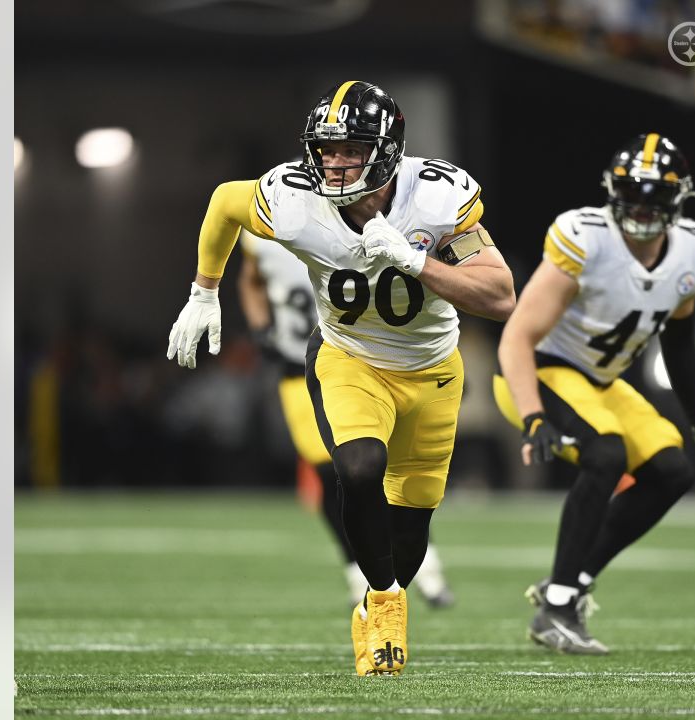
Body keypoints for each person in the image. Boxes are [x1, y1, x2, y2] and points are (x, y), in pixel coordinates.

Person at [166, 81, 515, 675]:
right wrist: (205, 289)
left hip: (431, 368)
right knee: (357, 468)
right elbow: (226, 201)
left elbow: (501, 296)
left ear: (386, 151)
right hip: (347, 357)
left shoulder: (435, 200)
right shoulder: (293, 198)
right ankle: (379, 606)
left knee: (411, 528)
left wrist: (415, 260)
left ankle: (390, 587)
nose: (333, 161)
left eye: (349, 149)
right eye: (325, 149)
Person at [493, 134, 695, 655]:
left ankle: (572, 585)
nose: (643, 207)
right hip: (542, 372)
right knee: (605, 454)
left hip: (600, 382)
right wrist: (534, 415)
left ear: (679, 198)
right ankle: (556, 606)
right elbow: (517, 336)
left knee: (674, 471)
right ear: (612, 192)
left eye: (655, 196)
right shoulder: (586, 238)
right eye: (633, 193)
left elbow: (679, 337)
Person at [235, 227, 456, 609]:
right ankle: (358, 570)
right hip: (298, 365)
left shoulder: (349, 227)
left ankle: (425, 566)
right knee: (332, 472)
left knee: (386, 469)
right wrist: (260, 329)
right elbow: (250, 281)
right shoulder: (262, 232)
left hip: (360, 363)